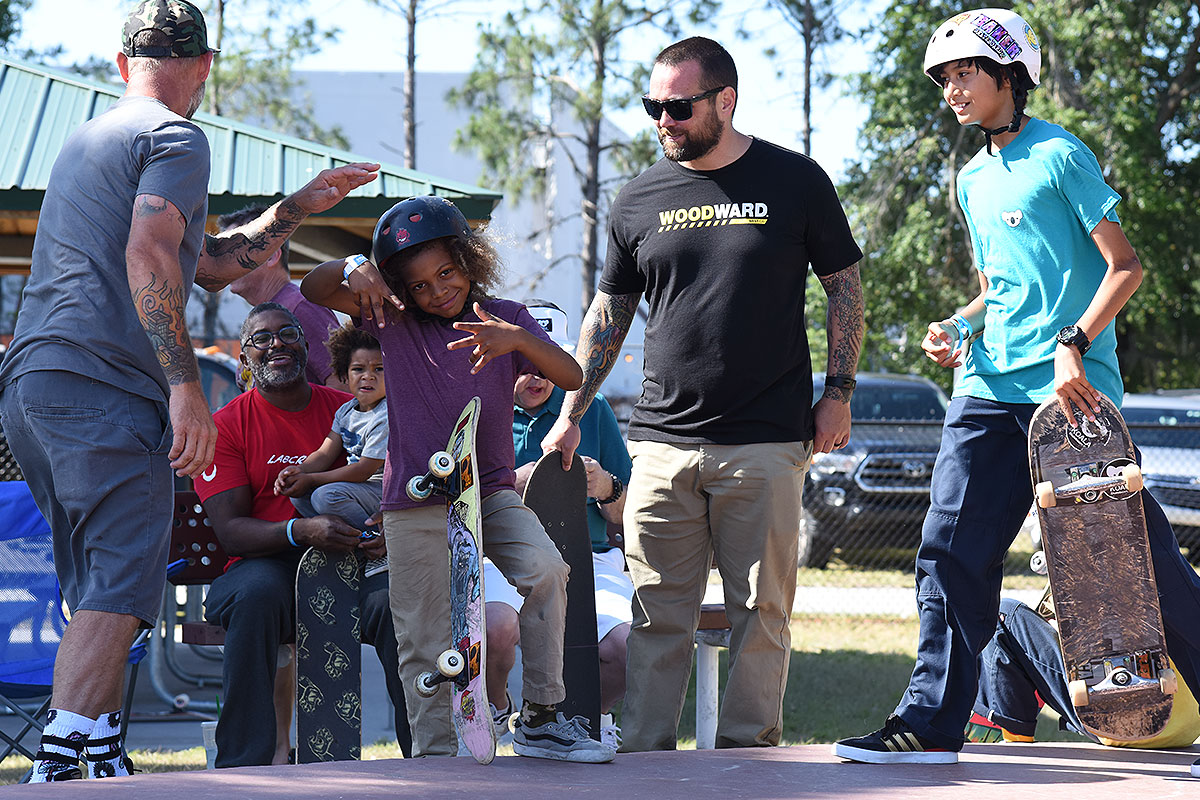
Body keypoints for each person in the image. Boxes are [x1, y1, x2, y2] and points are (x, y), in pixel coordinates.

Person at [0, 0, 377, 782]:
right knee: (123, 580)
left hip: (33, 389)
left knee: (97, 580)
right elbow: (151, 253)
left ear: (119, 65)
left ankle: (97, 749)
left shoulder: (91, 141)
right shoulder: (175, 135)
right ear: (204, 66)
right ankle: (62, 761)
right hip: (102, 387)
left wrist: (299, 207)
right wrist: (183, 385)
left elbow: (208, 259)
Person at [833, 10, 1200, 771]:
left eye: (966, 73)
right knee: (948, 551)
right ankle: (931, 724)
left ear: (1010, 75)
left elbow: (1124, 267)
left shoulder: (1062, 155)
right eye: (944, 80)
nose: (953, 91)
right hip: (986, 389)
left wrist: (1074, 344)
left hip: (1072, 401)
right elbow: (997, 290)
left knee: (1136, 561)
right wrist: (959, 326)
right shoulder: (970, 178)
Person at [541, 37, 865, 752]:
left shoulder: (796, 180)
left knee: (761, 614)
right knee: (657, 616)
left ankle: (749, 770)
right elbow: (608, 315)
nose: (664, 120)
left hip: (768, 440)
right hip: (659, 445)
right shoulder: (640, 196)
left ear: (726, 100)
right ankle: (645, 768)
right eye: (653, 106)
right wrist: (571, 413)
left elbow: (844, 287)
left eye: (678, 106)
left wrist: (838, 390)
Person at [300, 195, 615, 763]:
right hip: (414, 502)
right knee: (422, 631)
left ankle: (542, 717)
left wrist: (518, 340)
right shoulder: (392, 320)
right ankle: (437, 753)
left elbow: (571, 375)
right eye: (418, 284)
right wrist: (353, 267)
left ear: (470, 260)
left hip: (490, 491)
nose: (436, 290)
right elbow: (312, 289)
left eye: (446, 272)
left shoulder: (506, 318)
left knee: (547, 569)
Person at [194, 303, 410, 767]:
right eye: (261, 338)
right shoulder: (227, 426)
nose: (276, 343)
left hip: (357, 559)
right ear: (245, 358)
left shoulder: (352, 410)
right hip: (266, 563)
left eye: (287, 332)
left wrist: (389, 531)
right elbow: (231, 532)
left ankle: (429, 756)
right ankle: (243, 766)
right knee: (255, 596)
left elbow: (400, 483)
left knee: (401, 604)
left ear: (306, 346)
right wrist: (302, 530)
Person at [482, 300, 633, 750]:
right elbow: (458, 504)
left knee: (626, 650)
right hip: (504, 554)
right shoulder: (480, 409)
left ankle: (584, 719)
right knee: (495, 631)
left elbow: (623, 515)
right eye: (523, 364)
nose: (537, 376)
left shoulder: (592, 408)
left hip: (588, 555)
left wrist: (604, 486)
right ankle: (499, 713)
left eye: (548, 361)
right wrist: (513, 484)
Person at [967, 596, 1200, 750]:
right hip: (1183, 727)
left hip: (1118, 724)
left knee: (1004, 615)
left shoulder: (1081, 561)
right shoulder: (1163, 558)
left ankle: (1011, 741)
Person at [217, 204, 345, 391]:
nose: (226, 262)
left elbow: (342, 383)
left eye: (235, 251)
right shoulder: (270, 312)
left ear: (271, 256)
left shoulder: (301, 308)